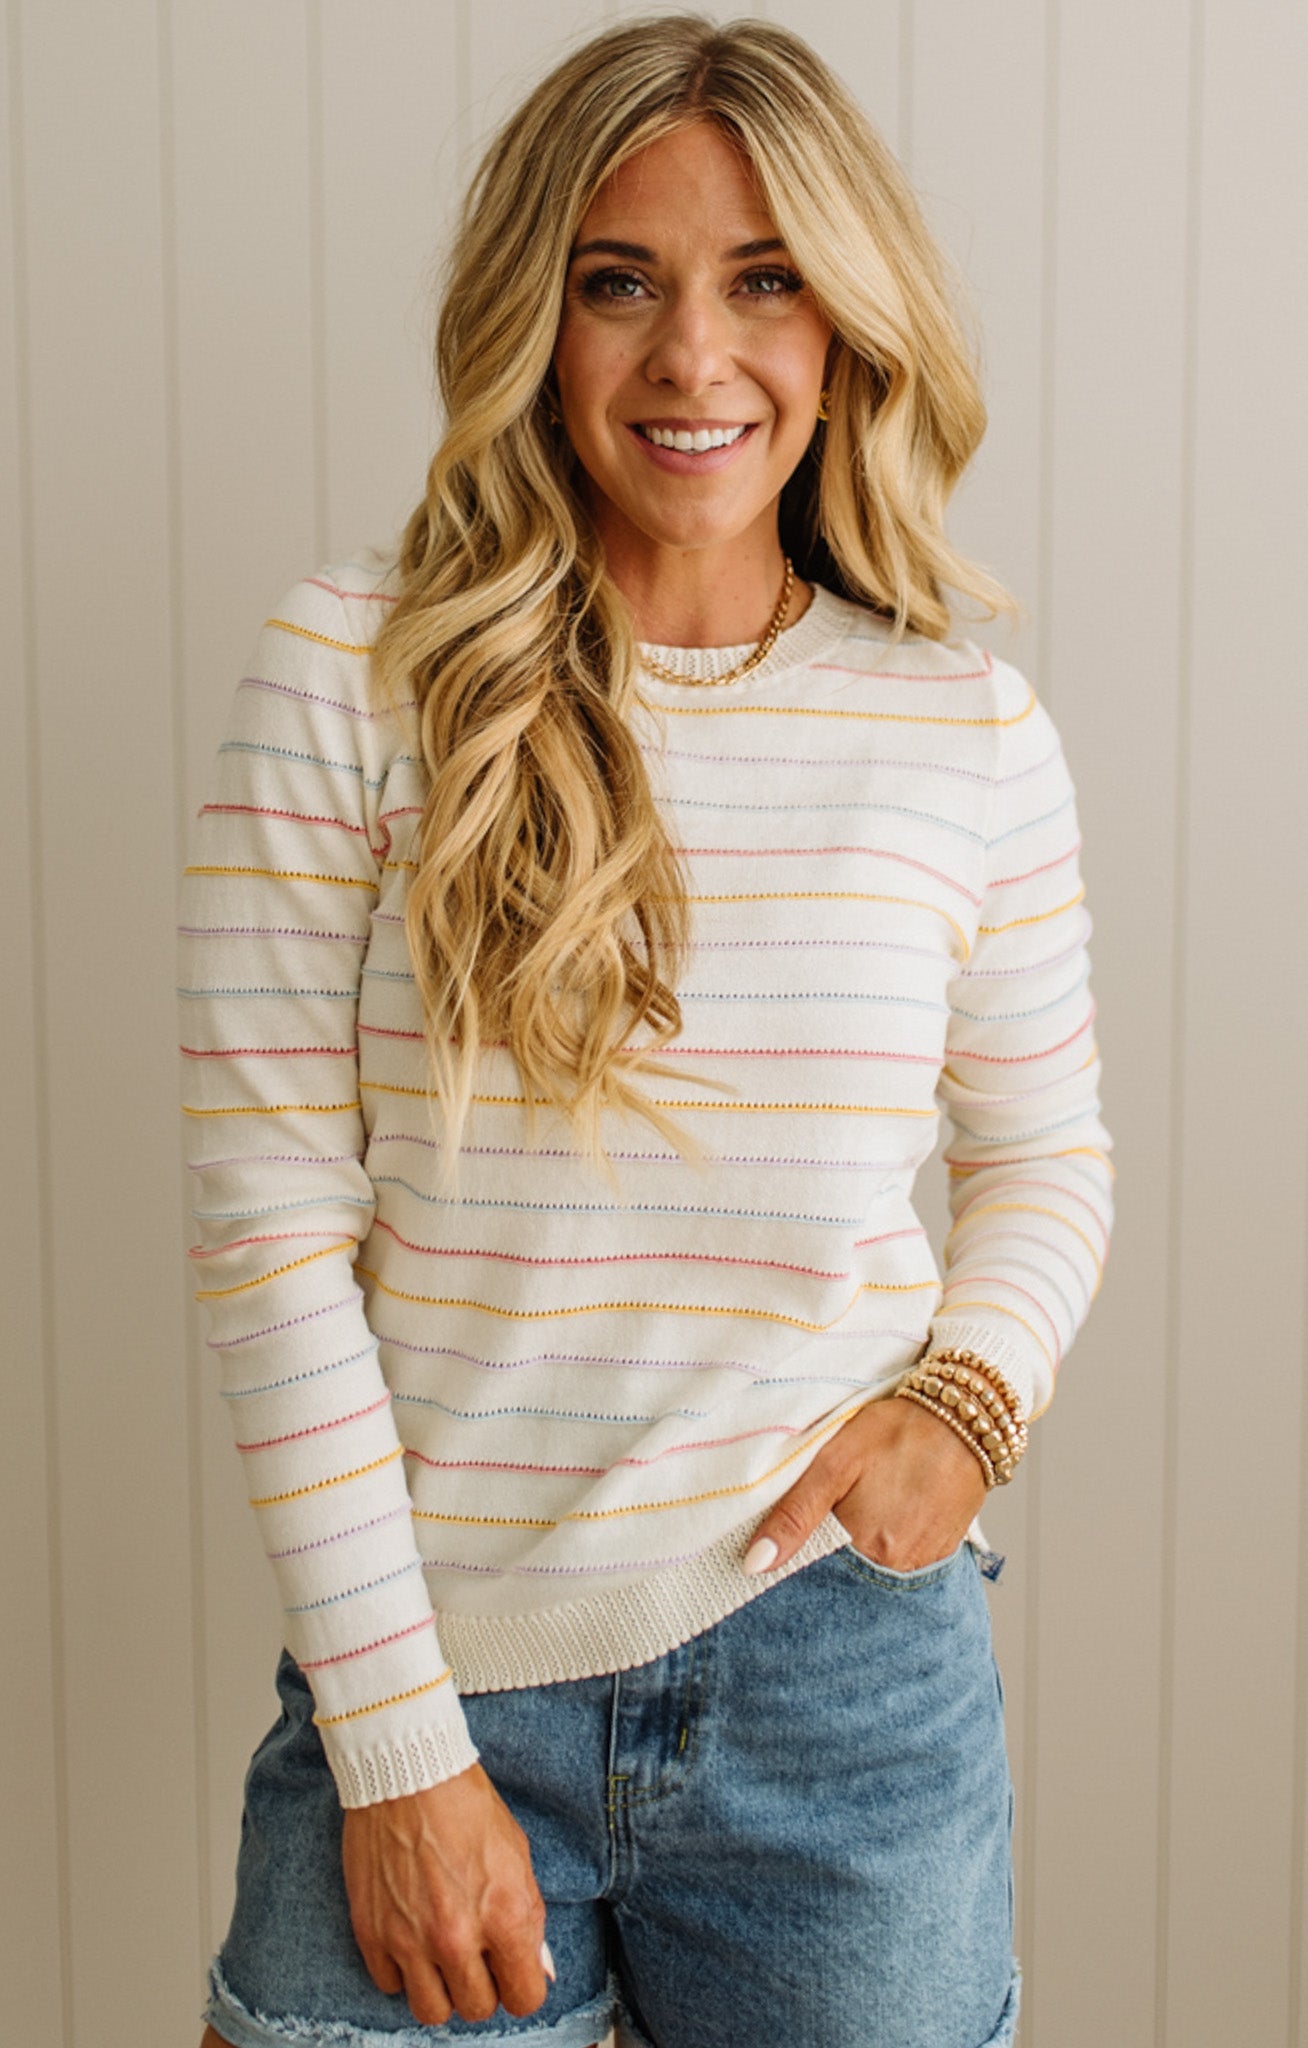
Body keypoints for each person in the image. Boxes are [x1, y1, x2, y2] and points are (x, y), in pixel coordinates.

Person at [180, 14, 1113, 2047]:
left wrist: (961, 1413)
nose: (694, 360)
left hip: (845, 1704)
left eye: (763, 280)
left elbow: (1046, 1161)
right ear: (536, 315)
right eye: (621, 283)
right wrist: (401, 1750)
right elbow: (266, 1228)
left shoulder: (959, 731)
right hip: (429, 1683)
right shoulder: (355, 669)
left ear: (848, 318)